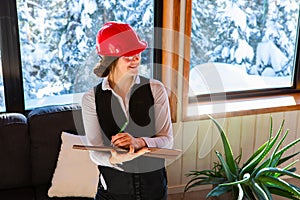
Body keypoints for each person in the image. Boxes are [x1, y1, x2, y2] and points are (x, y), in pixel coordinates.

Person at [81, 21, 174, 200]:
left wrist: (139, 142)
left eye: (137, 53)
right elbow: (95, 151)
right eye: (128, 55)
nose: (136, 58)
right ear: (110, 59)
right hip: (113, 193)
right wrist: (114, 159)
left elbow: (167, 141)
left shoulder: (156, 89)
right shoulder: (91, 99)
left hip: (154, 190)